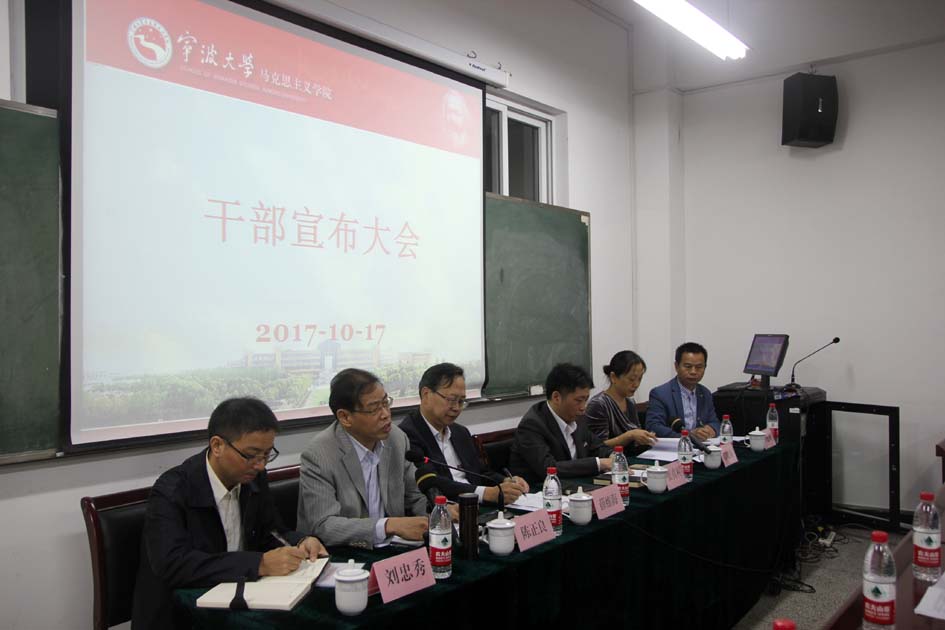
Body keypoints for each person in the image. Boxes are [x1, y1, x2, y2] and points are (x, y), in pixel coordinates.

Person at [132, 397, 326, 630]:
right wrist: (259, 564)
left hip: (239, 600)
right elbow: (173, 564)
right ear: (217, 446)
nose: (260, 465)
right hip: (182, 615)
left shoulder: (253, 478)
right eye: (251, 455)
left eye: (267, 454)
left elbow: (271, 530)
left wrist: (301, 541)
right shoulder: (172, 490)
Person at [297, 368, 428, 549]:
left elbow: (415, 496)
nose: (385, 414)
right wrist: (387, 526)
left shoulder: (397, 439)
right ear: (345, 417)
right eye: (374, 409)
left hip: (392, 548)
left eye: (386, 403)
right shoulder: (319, 455)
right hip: (342, 554)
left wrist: (441, 511)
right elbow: (324, 525)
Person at [399, 362, 529, 504]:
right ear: (426, 394)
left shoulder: (460, 432)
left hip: (476, 506)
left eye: (461, 401)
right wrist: (486, 493)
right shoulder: (407, 435)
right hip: (446, 510)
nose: (456, 408)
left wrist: (506, 482)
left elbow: (480, 472)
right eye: (451, 400)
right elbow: (431, 483)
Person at [509, 363, 613, 482]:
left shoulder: (577, 417)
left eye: (586, 399)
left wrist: (612, 455)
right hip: (540, 489)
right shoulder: (532, 425)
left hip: (573, 485)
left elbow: (596, 446)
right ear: (556, 397)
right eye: (579, 400)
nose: (583, 407)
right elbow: (549, 468)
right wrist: (599, 464)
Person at [583, 350, 657, 455]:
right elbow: (597, 447)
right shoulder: (599, 404)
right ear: (613, 377)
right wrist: (629, 435)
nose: (636, 384)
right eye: (631, 379)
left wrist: (645, 437)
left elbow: (636, 434)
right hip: (610, 460)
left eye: (639, 379)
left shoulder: (630, 402)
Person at [645, 342, 720, 440]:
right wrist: (688, 435)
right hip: (675, 447)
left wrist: (711, 430)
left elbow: (714, 422)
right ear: (676, 366)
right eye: (688, 366)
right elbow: (654, 427)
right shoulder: (660, 394)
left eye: (699, 367)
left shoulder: (705, 393)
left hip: (701, 446)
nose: (693, 372)